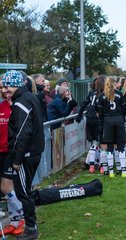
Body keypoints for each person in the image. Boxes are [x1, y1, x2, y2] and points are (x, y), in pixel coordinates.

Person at [2, 70, 45, 239]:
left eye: (8, 86)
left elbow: (22, 133)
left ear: (16, 84)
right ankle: (30, 226)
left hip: (25, 154)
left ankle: (31, 228)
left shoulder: (21, 102)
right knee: (25, 190)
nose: (5, 90)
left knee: (23, 193)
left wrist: (17, 159)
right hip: (33, 152)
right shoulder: (29, 97)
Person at [0, 77, 25, 237]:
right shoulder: (1, 106)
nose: (3, 91)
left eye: (5, 87)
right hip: (0, 152)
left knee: (5, 187)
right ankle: (15, 222)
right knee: (8, 188)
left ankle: (25, 216)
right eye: (1, 88)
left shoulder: (18, 106)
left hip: (11, 153)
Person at [96, 76, 126, 178]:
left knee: (109, 147)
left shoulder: (102, 96)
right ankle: (123, 171)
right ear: (114, 83)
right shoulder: (119, 94)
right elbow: (124, 109)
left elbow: (99, 112)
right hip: (119, 120)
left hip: (108, 121)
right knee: (121, 146)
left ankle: (111, 172)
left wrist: (105, 118)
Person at [75, 76, 104, 174]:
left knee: (93, 143)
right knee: (100, 143)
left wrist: (79, 116)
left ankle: (91, 166)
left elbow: (83, 104)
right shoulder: (104, 94)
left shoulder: (91, 93)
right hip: (98, 119)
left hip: (89, 118)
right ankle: (101, 166)